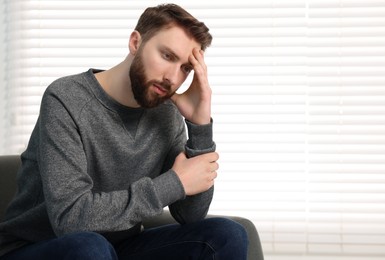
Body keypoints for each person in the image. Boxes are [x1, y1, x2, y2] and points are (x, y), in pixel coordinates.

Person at [0, 3, 248, 260]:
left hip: (119, 247)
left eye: (185, 68)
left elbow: (190, 215)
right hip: (38, 248)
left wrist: (199, 127)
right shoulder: (66, 98)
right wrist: (174, 183)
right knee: (90, 248)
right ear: (135, 42)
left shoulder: (168, 114)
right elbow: (71, 220)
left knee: (228, 235)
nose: (172, 78)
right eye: (167, 56)